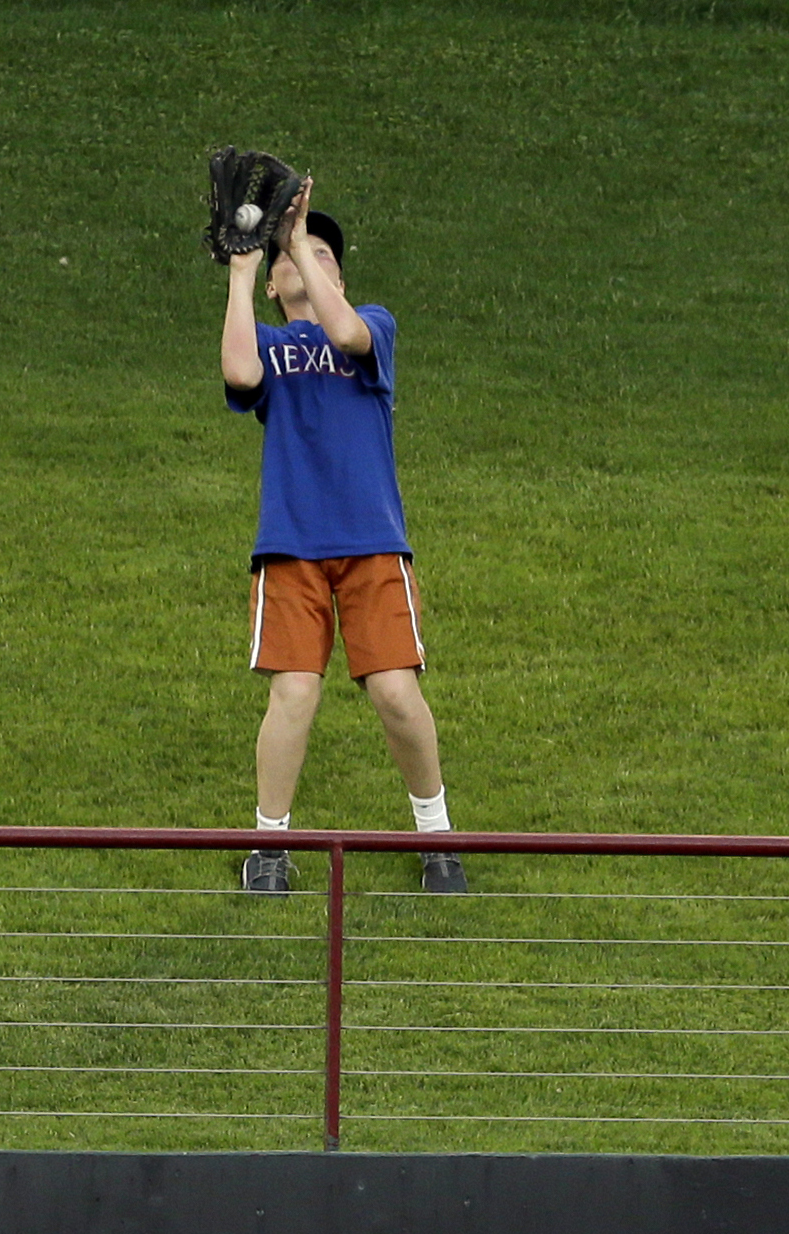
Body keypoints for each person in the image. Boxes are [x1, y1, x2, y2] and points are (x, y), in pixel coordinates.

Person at [221, 178, 468, 897]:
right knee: (293, 693)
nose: (305, 259)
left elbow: (348, 334)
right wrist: (241, 269)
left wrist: (291, 236)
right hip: (290, 546)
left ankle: (438, 836)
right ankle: (269, 846)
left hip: (371, 543)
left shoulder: (373, 325)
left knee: (395, 692)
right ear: (273, 286)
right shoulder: (267, 340)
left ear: (341, 276)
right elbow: (238, 370)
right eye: (293, 256)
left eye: (323, 252)